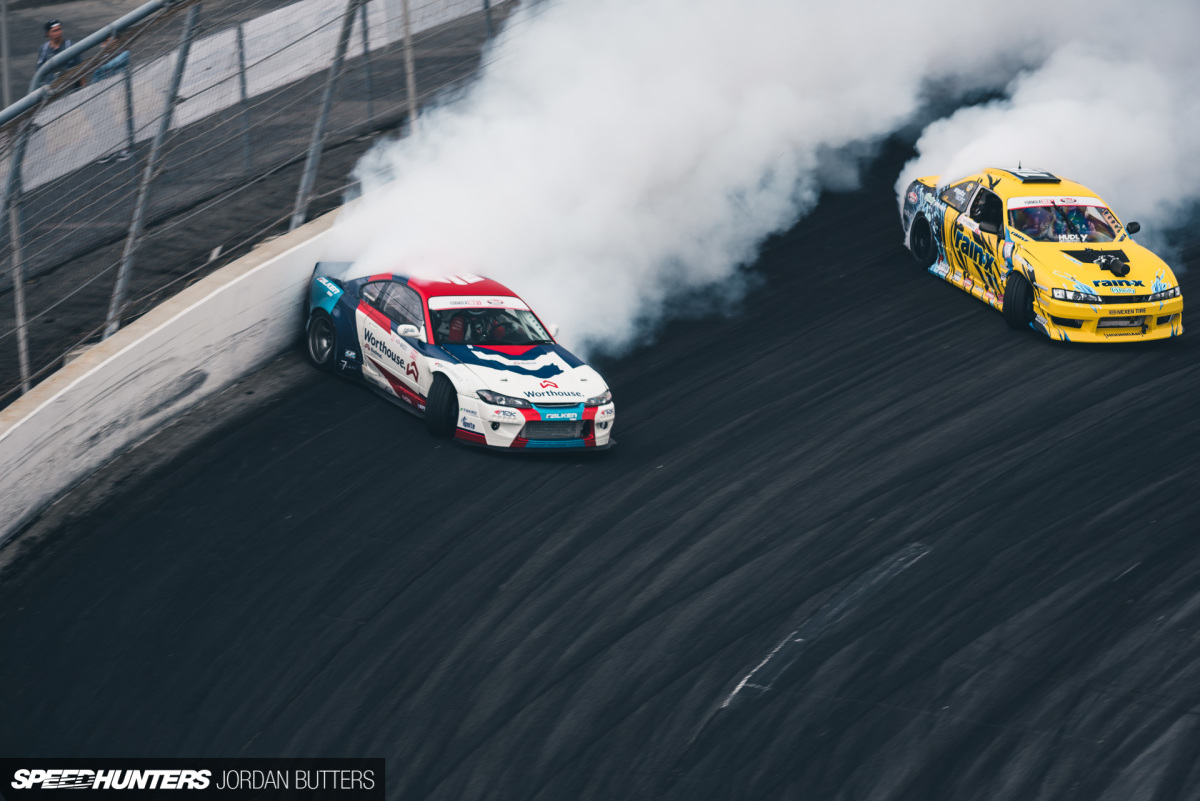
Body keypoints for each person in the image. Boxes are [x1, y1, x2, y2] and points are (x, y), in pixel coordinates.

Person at [36, 20, 79, 86]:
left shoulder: (70, 45)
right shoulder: (43, 49)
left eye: (59, 29)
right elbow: (39, 73)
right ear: (48, 33)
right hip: (51, 91)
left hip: (69, 89)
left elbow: (80, 68)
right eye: (55, 31)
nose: (58, 33)